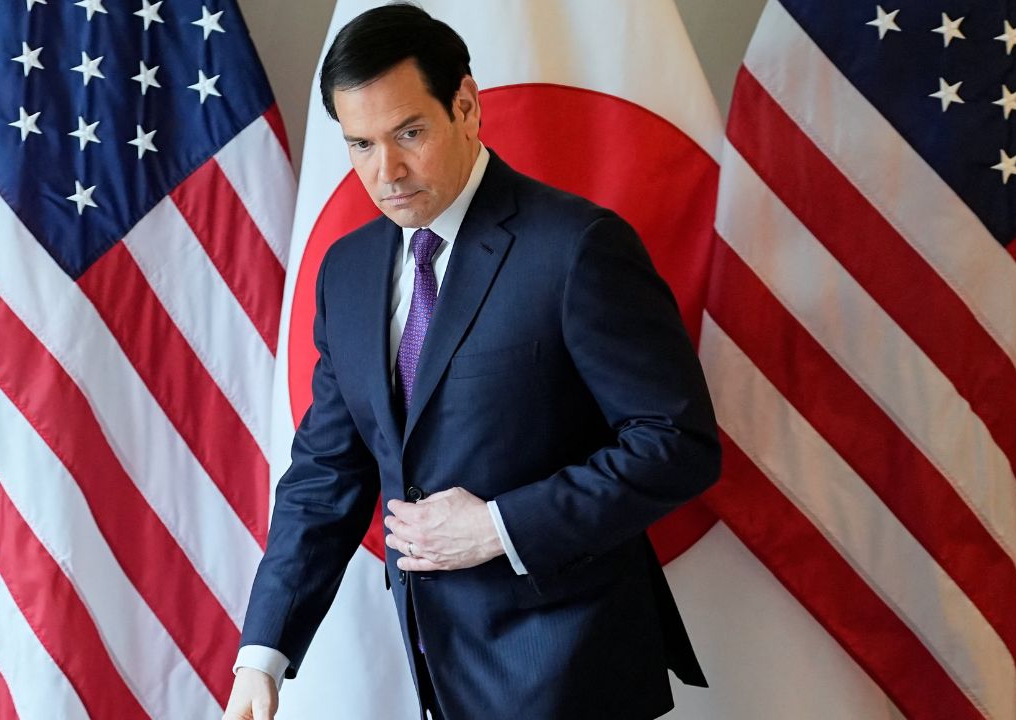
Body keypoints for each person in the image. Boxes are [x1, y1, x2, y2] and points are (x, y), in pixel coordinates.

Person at [224, 4, 720, 719]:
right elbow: (327, 473)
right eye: (360, 145)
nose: (385, 171)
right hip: (436, 671)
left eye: (409, 133)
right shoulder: (349, 271)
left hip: (575, 670)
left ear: (466, 105)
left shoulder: (577, 247)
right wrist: (262, 656)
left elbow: (678, 444)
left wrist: (499, 527)